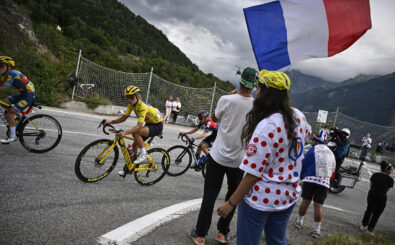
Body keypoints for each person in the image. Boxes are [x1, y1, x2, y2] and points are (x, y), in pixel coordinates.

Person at [217, 69, 311, 245]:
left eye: (259, 88)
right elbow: (306, 135)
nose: (256, 91)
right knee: (277, 240)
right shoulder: (299, 116)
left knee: (247, 241)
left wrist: (230, 203)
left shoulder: (267, 126)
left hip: (260, 199)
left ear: (266, 93)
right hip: (287, 196)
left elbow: (253, 174)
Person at [189, 67, 256, 245]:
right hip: (239, 160)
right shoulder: (257, 106)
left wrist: (230, 96)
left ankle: (200, 234)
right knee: (231, 197)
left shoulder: (226, 99)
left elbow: (213, 119)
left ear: (240, 81)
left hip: (218, 157)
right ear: (254, 85)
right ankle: (222, 233)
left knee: (209, 195)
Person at [103, 85, 163, 177]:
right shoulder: (131, 105)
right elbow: (123, 118)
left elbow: (139, 126)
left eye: (131, 97)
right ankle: (130, 167)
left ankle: (143, 154)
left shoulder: (142, 107)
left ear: (137, 97)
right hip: (149, 124)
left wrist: (124, 133)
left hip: (157, 126)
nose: (129, 100)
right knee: (133, 147)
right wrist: (109, 122)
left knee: (136, 132)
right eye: (127, 97)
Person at [294, 131, 336, 239]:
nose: (312, 141)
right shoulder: (330, 152)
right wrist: (328, 179)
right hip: (323, 182)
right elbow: (333, 168)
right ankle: (316, 230)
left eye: (313, 139)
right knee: (318, 205)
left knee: (305, 201)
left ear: (317, 141)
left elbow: (305, 163)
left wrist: (302, 176)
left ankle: (299, 222)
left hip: (310, 179)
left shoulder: (312, 150)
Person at [0, 56, 36, 144]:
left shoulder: (12, 73)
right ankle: (18, 116)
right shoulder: (6, 74)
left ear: (8, 66)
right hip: (23, 94)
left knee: (10, 113)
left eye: (1, 65)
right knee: (4, 101)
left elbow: (4, 88)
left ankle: (12, 137)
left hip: (28, 96)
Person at [360, 161, 393, 234]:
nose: (392, 170)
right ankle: (370, 229)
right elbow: (387, 190)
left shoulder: (375, 175)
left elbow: (371, 185)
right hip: (381, 198)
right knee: (376, 214)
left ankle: (363, 225)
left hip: (372, 194)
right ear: (387, 170)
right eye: (391, 169)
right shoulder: (390, 180)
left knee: (369, 210)